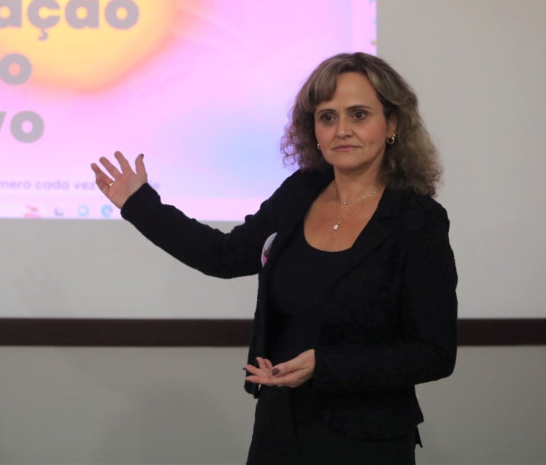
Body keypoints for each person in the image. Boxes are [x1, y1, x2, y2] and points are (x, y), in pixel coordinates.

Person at [90, 52, 457, 464]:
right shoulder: (300, 192)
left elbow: (434, 353)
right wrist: (140, 204)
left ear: (391, 125)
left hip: (368, 440)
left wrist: (325, 365)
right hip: (280, 429)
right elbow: (224, 256)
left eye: (359, 115)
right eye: (327, 117)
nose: (342, 130)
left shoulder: (417, 220)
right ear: (313, 129)